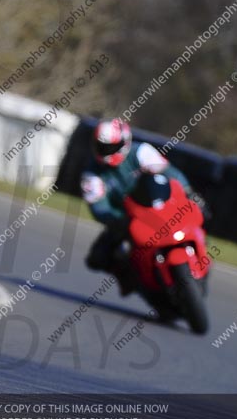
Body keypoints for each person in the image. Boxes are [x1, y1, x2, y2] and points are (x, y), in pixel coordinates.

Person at [81, 118, 195, 296]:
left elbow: (170, 173)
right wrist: (119, 221)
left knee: (196, 213)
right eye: (102, 147)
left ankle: (197, 253)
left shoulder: (141, 152)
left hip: (160, 207)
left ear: (124, 142)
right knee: (97, 258)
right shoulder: (91, 174)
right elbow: (99, 208)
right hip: (126, 219)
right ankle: (132, 280)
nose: (106, 152)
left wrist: (187, 191)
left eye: (111, 147)